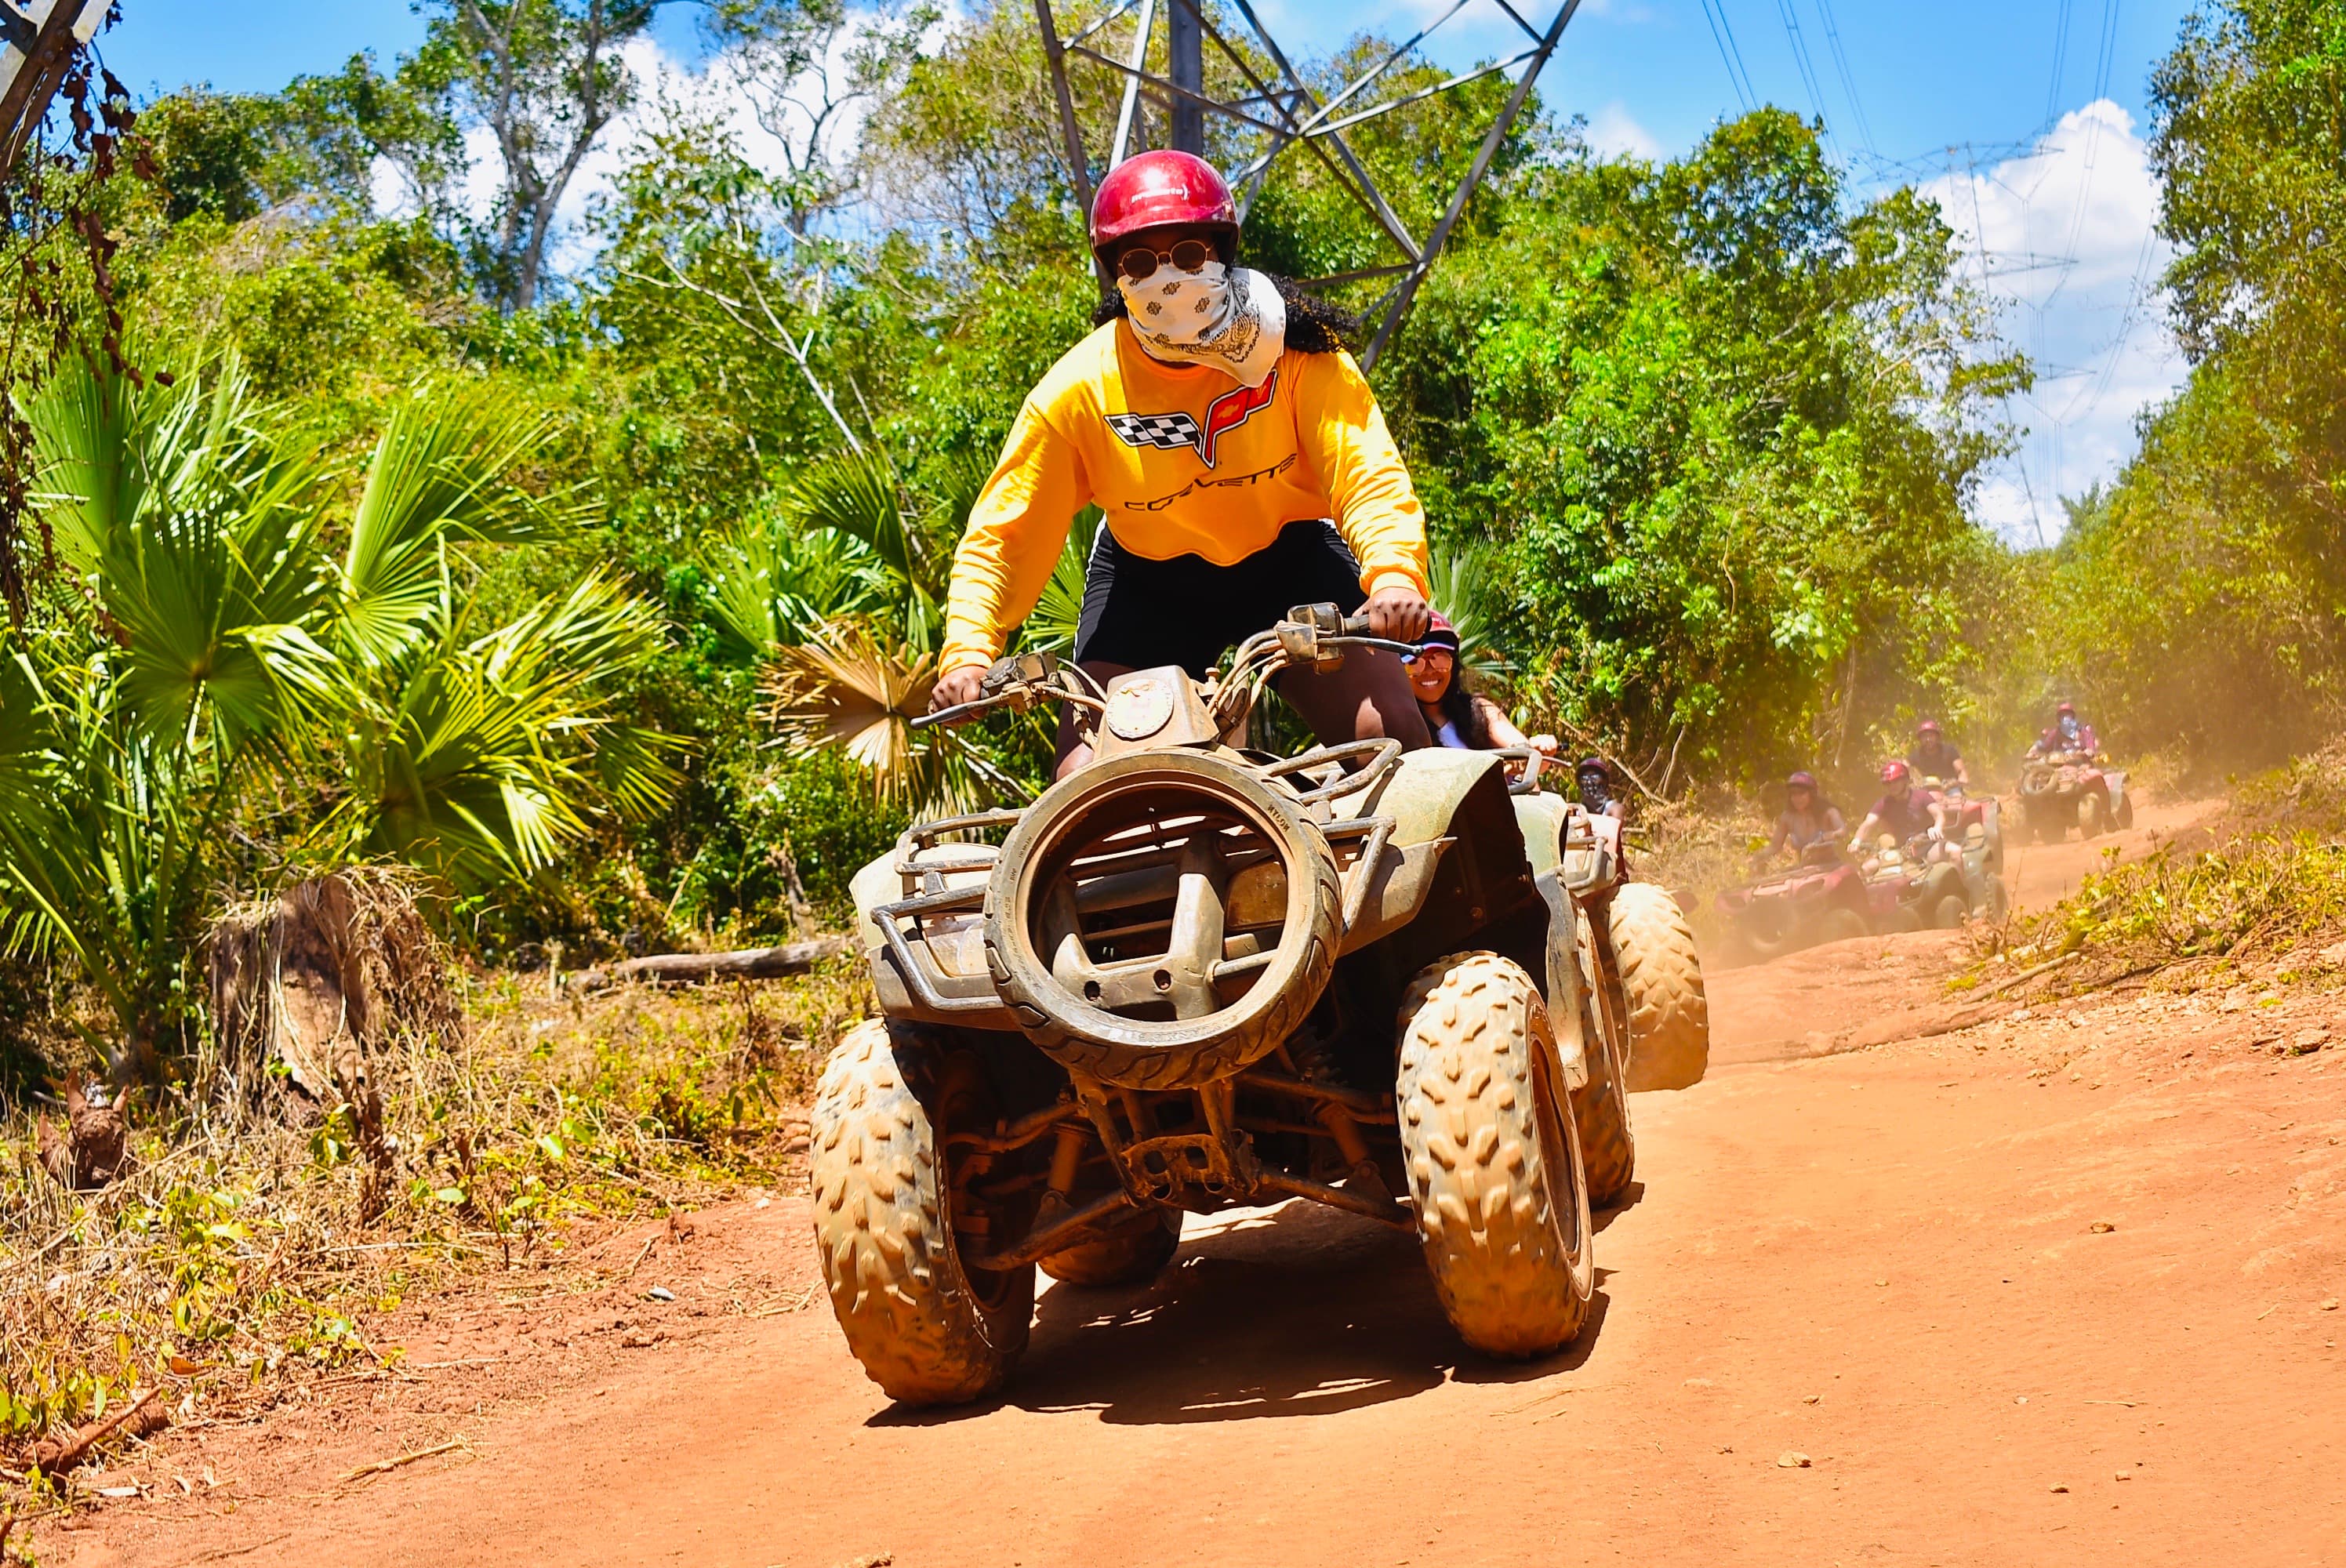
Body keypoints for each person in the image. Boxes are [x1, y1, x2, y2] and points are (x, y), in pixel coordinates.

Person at [926, 150, 1433, 776]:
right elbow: (1005, 536)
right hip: (1149, 584)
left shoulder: (1298, 353)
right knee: (1087, 779)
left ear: (1222, 251)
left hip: (1289, 562)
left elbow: (1367, 471)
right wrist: (968, 657)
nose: (1169, 277)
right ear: (1114, 275)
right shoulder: (1078, 390)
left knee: (1389, 737)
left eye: (1189, 255)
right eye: (1140, 261)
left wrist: (1392, 578)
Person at [1406, 614, 1557, 757]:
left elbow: (1523, 752)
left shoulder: (1479, 712)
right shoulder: (1395, 726)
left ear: (1455, 663)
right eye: (1414, 663)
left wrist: (1536, 749)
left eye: (1439, 659)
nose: (1429, 671)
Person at [1849, 760, 1949, 861]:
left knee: (1954, 851)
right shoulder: (1884, 803)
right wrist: (1856, 841)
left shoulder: (1922, 796)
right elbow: (1868, 824)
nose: (1892, 786)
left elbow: (1939, 815)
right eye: (1888, 783)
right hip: (1902, 850)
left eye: (1896, 781)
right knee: (1868, 868)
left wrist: (1937, 827)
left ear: (1905, 780)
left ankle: (1962, 876)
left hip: (1928, 845)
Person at [1761, 771, 1845, 861]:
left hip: (1832, 866)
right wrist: (1759, 857)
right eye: (1793, 794)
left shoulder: (1828, 812)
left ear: (1811, 794)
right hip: (1805, 868)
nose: (1797, 798)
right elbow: (1774, 846)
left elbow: (1843, 831)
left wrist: (1824, 838)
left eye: (1801, 793)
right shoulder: (1787, 818)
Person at [1906, 719, 1969, 788]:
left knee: (1956, 796)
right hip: (1926, 789)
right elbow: (1903, 767)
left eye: (1931, 736)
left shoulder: (1949, 751)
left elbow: (1961, 771)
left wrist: (1961, 780)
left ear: (1937, 737)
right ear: (1920, 739)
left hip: (1950, 788)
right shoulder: (1916, 755)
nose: (1928, 740)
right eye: (1924, 737)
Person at [2028, 700, 2097, 758]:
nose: (2066, 718)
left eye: (2068, 715)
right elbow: (2046, 745)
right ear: (2059, 719)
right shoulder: (2056, 732)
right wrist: (2036, 748)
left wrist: (2090, 749)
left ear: (2073, 717)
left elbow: (2090, 741)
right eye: (2063, 716)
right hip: (2061, 766)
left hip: (2082, 765)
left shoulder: (2082, 731)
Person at [1574, 757, 1627, 822]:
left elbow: (1614, 825)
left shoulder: (1614, 808)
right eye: (1584, 778)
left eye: (1595, 777)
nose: (1589, 782)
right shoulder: (1576, 811)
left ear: (1604, 782)